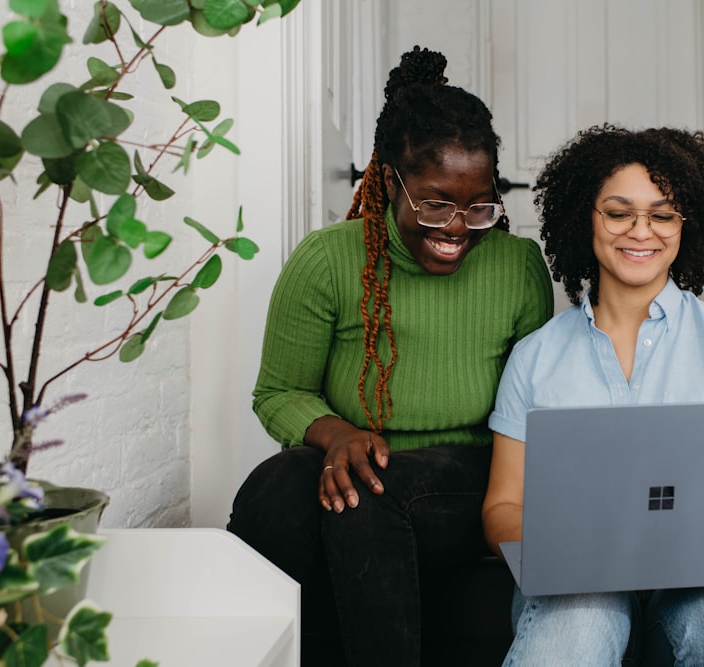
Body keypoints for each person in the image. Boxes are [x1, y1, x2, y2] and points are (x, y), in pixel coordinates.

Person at [227, 46, 554, 666]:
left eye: (479, 205)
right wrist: (338, 434)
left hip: (470, 473)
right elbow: (277, 393)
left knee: (369, 490)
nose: (457, 227)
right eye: (435, 202)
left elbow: (535, 403)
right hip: (353, 451)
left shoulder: (517, 266)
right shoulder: (326, 260)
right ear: (387, 181)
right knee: (276, 486)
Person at [481, 125, 704, 666]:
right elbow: (502, 506)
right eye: (619, 212)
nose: (642, 231)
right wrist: (562, 539)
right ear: (585, 218)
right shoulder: (535, 357)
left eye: (662, 214)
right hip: (577, 578)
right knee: (572, 634)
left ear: (687, 225)